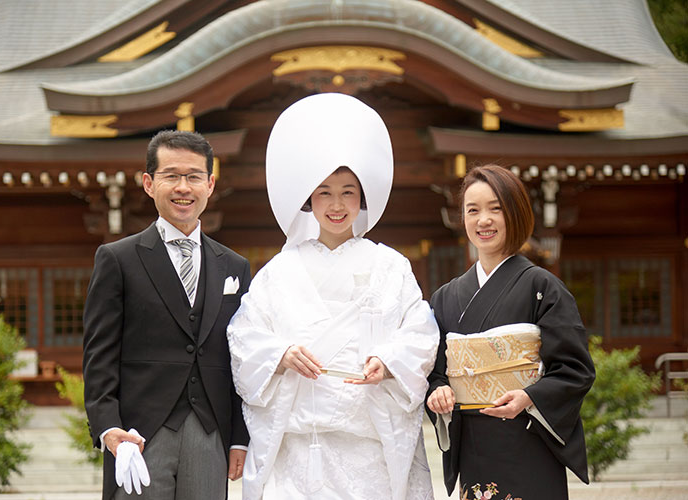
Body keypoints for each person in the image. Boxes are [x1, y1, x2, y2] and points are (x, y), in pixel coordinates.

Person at [226, 93, 440, 500]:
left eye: (348, 192)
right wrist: (281, 353)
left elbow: (420, 333)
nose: (337, 205)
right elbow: (243, 338)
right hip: (296, 453)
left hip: (368, 453)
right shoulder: (280, 271)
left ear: (362, 200)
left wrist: (390, 361)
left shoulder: (389, 267)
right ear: (309, 201)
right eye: (324, 193)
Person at [83, 130, 249, 500]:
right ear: (148, 183)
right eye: (171, 176)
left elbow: (241, 358)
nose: (183, 187)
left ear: (210, 184)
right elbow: (99, 356)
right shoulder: (117, 259)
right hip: (139, 434)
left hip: (211, 431)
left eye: (193, 176)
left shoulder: (234, 266)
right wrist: (108, 427)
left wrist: (240, 437)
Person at [425, 164, 595, 500]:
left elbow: (575, 369)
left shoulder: (543, 287)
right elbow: (435, 372)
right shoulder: (445, 298)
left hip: (528, 440)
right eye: (472, 210)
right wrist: (438, 391)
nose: (482, 220)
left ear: (515, 213)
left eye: (495, 208)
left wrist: (529, 396)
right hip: (474, 444)